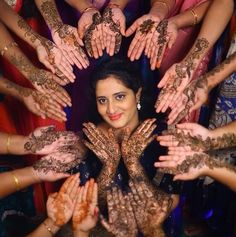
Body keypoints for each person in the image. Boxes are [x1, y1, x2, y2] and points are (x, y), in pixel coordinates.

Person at [78, 58, 180, 236]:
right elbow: (88, 211)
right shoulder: (91, 138)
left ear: (137, 94)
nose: (111, 109)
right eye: (102, 100)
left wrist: (133, 164)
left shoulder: (164, 137)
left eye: (119, 97)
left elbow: (166, 206)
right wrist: (109, 167)